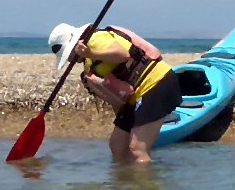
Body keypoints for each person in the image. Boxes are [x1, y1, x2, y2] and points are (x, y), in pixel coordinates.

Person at [48, 22, 182, 164]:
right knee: (117, 146)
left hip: (155, 83)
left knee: (137, 149)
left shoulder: (95, 39)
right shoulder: (88, 64)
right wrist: (124, 119)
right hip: (135, 96)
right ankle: (123, 184)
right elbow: (116, 95)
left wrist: (90, 53)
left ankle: (145, 185)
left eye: (68, 55)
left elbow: (123, 54)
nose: (69, 60)